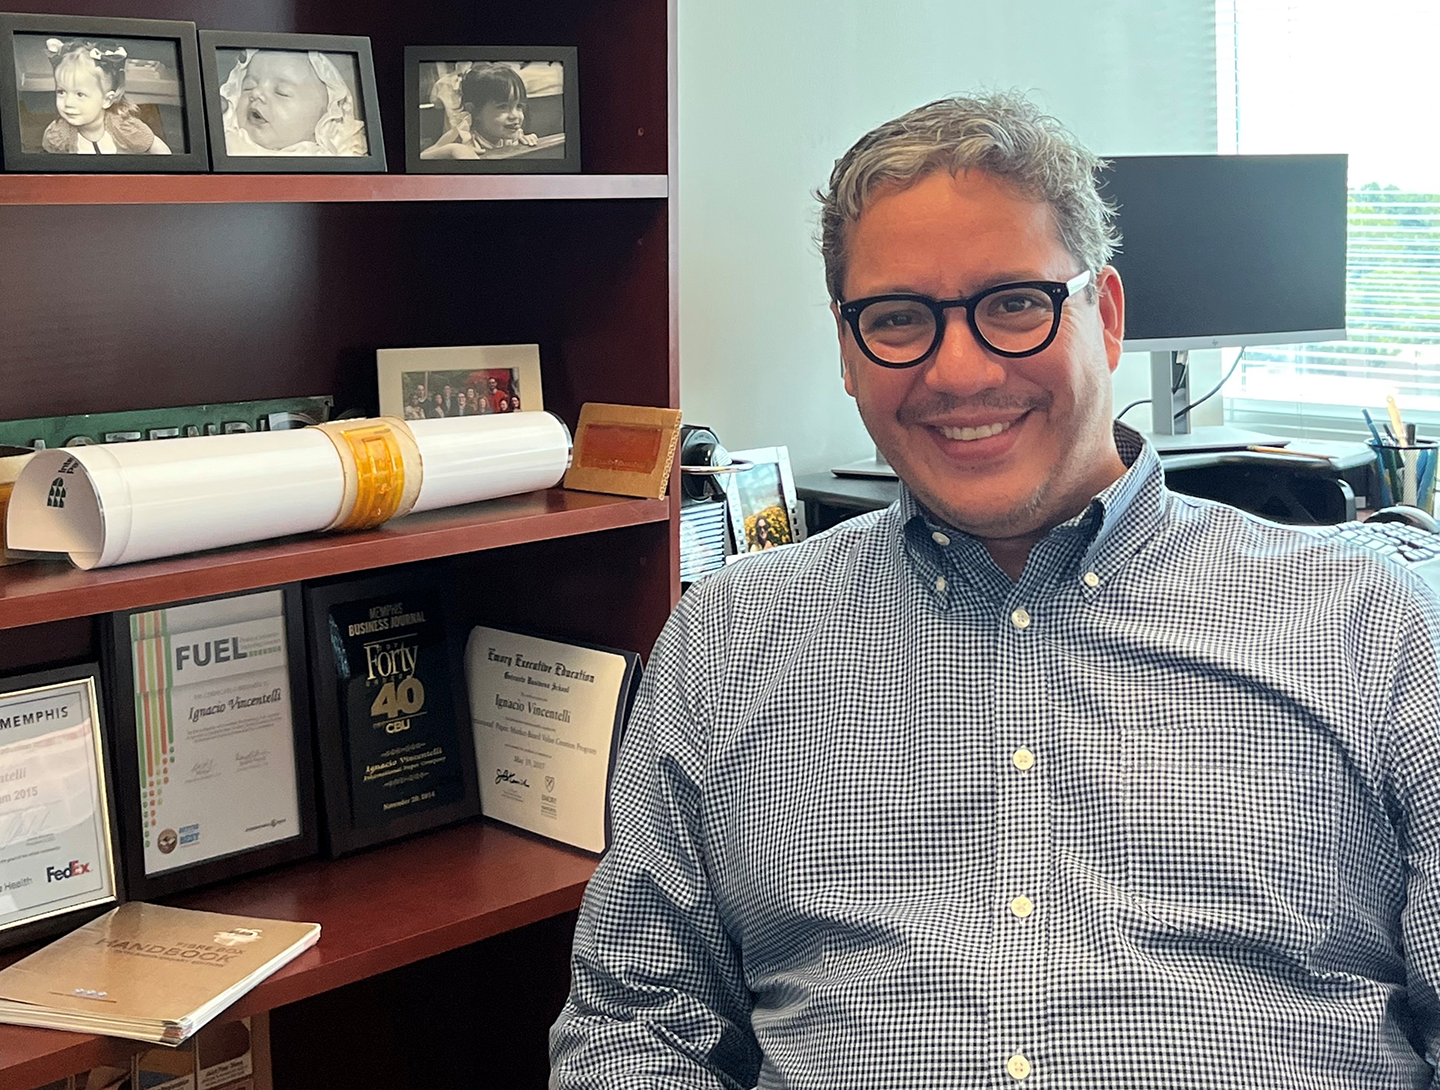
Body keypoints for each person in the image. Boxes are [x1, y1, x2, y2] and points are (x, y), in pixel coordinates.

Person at [551, 90, 1440, 1087]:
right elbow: (638, 1023)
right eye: (898, 319)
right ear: (848, 352)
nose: (961, 370)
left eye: (1014, 303)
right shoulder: (725, 645)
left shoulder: (1367, 628)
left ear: (1103, 317)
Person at [219, 49, 367, 156]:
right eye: (248, 86)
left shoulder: (327, 157)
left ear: (325, 119)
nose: (256, 93)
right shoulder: (229, 140)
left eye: (281, 92)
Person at [41, 38, 171, 155]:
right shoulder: (58, 134)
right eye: (61, 92)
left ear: (107, 100)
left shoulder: (124, 128)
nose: (68, 102)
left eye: (80, 94)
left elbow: (157, 148)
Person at [420, 63, 539, 160]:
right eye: (502, 107)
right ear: (474, 111)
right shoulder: (461, 136)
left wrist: (526, 141)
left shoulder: (512, 133)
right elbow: (422, 157)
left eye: (519, 106)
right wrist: (453, 149)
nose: (515, 116)